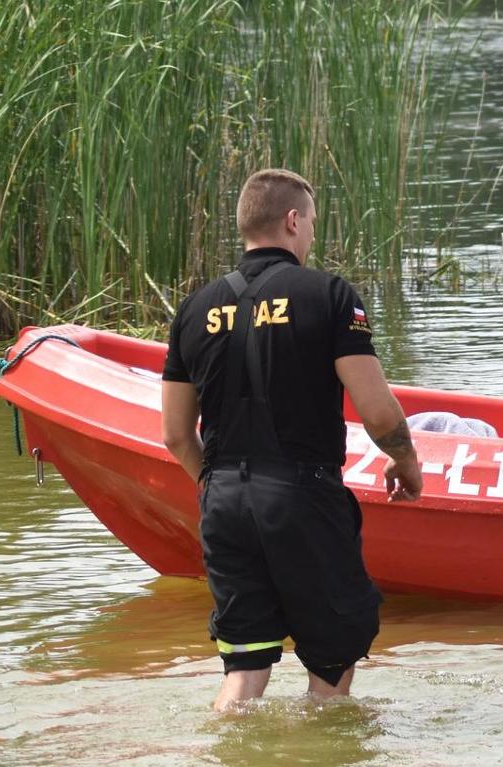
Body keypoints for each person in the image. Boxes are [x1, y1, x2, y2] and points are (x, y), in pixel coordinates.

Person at [161, 168, 424, 711]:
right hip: (302, 496)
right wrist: (405, 458)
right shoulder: (328, 295)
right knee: (333, 657)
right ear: (291, 220)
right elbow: (376, 409)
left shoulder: (194, 308)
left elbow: (173, 434)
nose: (310, 236)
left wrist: (215, 488)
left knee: (245, 664)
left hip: (224, 500)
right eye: (310, 224)